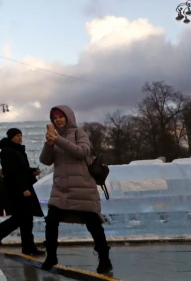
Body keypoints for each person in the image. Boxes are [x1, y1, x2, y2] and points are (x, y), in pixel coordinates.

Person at [39, 106, 112, 276]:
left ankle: (104, 259)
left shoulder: (80, 133)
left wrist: (58, 140)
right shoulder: (55, 137)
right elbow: (45, 161)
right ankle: (51, 257)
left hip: (82, 186)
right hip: (61, 188)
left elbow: (82, 152)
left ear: (68, 117)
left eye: (61, 117)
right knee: (51, 221)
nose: (57, 120)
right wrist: (49, 144)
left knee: (93, 223)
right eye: (54, 118)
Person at [0, 128, 44, 257]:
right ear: (11, 137)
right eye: (17, 136)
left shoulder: (17, 150)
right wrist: (23, 188)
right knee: (23, 217)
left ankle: (28, 248)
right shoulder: (8, 151)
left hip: (23, 187)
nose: (20, 138)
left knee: (26, 219)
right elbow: (12, 173)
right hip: (18, 190)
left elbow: (21, 170)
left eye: (21, 135)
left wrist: (32, 171)